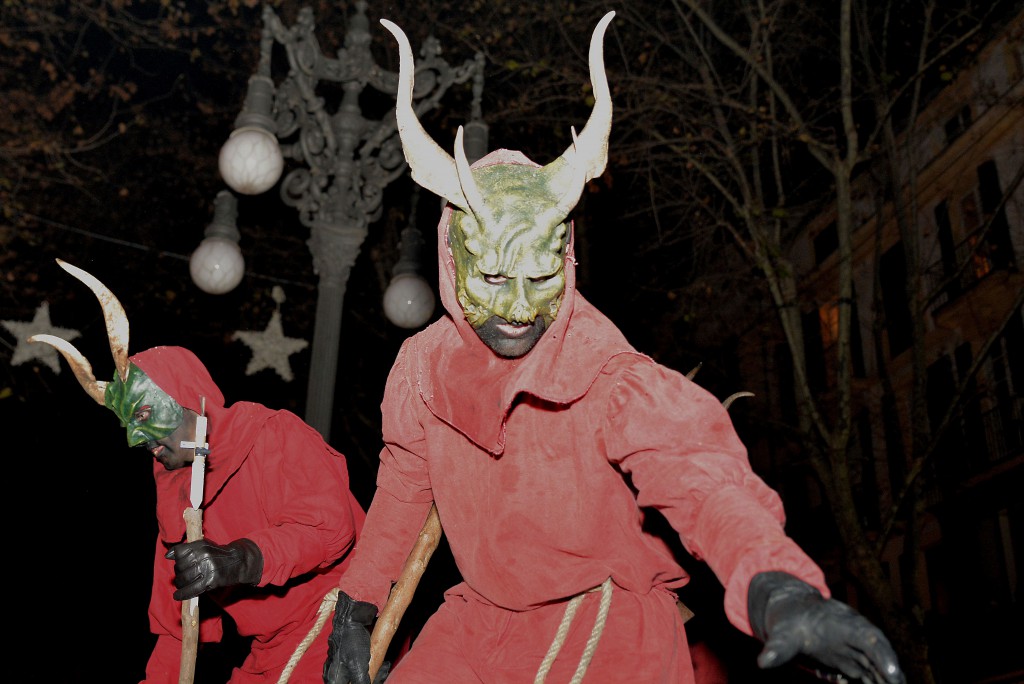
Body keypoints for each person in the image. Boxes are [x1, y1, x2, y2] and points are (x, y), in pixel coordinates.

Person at [322, 11, 905, 684]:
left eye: (538, 277)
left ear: (566, 259)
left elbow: (703, 481)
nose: (516, 308)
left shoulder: (611, 376)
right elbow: (400, 494)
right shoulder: (422, 370)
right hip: (475, 623)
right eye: (491, 277)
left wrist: (779, 589)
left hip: (603, 630)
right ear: (453, 265)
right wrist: (355, 609)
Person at [32, 260, 367, 684]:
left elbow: (330, 530)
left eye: (146, 414)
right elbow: (177, 627)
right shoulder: (175, 500)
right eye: (128, 425)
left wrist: (239, 558)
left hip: (340, 625)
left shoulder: (269, 435)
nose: (136, 438)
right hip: (270, 650)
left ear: (187, 398)